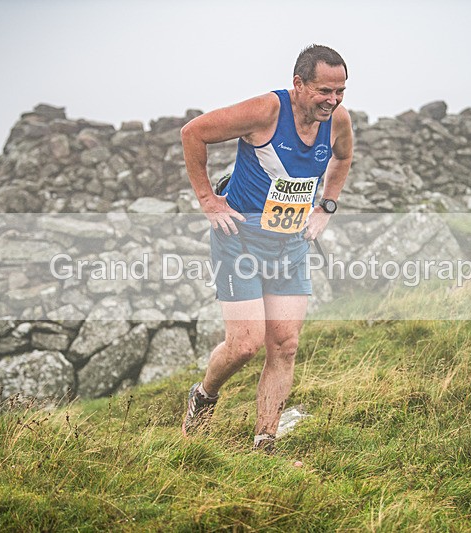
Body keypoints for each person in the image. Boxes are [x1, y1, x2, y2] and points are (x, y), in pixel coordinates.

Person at [180, 45, 353, 452]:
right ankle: (203, 395)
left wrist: (326, 207)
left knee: (285, 344)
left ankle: (265, 442)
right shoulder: (266, 111)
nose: (333, 100)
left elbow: (343, 158)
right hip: (239, 240)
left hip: (290, 244)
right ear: (299, 84)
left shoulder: (338, 120)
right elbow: (193, 133)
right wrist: (208, 201)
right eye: (324, 91)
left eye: (340, 91)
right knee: (244, 344)